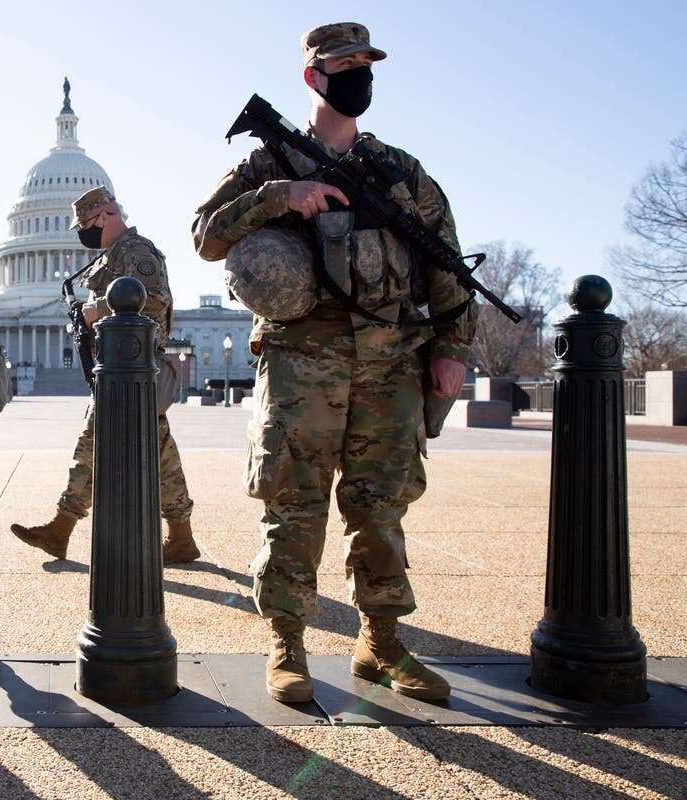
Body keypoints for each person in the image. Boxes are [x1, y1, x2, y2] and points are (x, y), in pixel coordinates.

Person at [192, 23, 478, 703]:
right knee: (294, 503)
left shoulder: (401, 173)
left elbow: (447, 262)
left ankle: (380, 644)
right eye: (341, 65)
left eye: (364, 64)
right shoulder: (267, 162)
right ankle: (286, 644)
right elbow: (204, 235)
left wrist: (453, 348)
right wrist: (277, 198)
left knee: (380, 507)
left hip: (390, 359)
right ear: (312, 77)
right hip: (303, 358)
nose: (356, 75)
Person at [11, 186, 199, 564]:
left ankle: (61, 529)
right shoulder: (110, 256)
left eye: (86, 224)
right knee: (158, 454)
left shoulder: (136, 251)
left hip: (133, 370)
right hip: (119, 369)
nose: (83, 232)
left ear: (105, 215)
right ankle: (180, 536)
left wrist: (96, 309)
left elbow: (153, 299)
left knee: (92, 447)